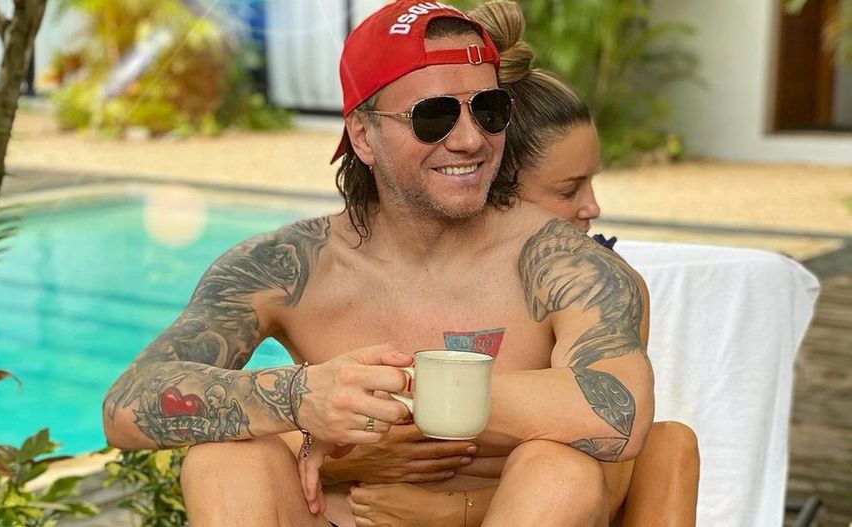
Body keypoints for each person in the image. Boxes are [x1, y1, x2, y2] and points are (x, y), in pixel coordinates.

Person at [102, 2, 654, 526]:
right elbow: (127, 406)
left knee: (561, 471)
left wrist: (396, 393)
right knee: (225, 460)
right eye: (433, 116)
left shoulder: (565, 266)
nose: (470, 139)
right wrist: (301, 398)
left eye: (490, 111)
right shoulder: (287, 267)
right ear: (363, 136)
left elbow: (621, 413)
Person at [331, 3, 699, 526]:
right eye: (568, 190)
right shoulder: (380, 272)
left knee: (669, 444)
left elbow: (606, 479)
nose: (592, 207)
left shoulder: (594, 286)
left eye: (591, 183)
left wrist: (451, 512)